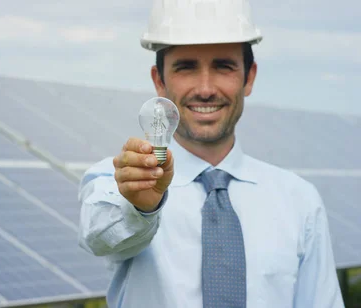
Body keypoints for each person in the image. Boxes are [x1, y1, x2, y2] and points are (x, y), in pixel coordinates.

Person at [77, 0, 345, 307]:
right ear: (159, 81)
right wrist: (140, 210)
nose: (205, 88)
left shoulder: (300, 202)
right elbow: (98, 236)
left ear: (250, 77)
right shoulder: (121, 181)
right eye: (186, 67)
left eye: (223, 66)